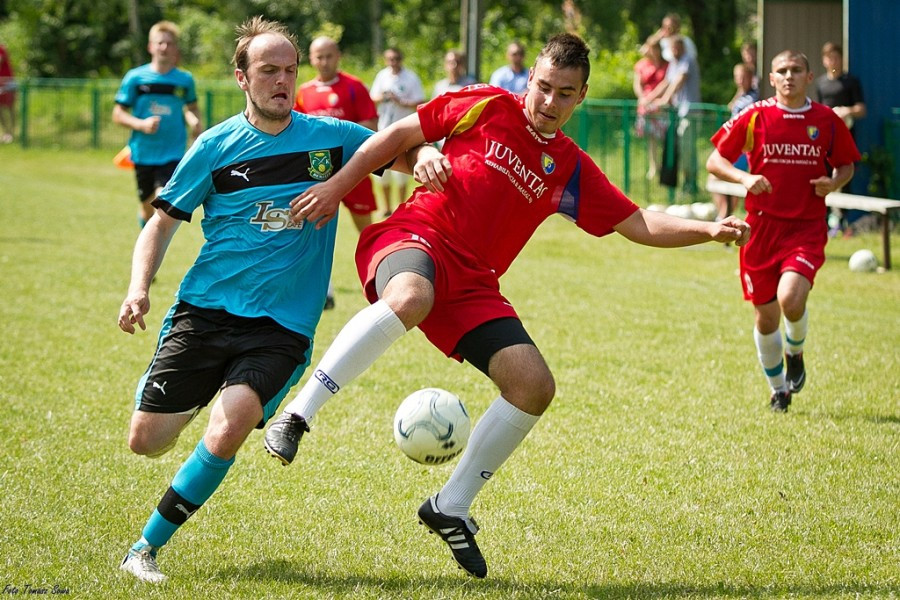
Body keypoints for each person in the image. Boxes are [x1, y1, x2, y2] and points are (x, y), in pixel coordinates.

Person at [264, 33, 750, 579]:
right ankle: (297, 415)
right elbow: (398, 134)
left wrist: (707, 228)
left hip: (474, 284)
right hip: (415, 235)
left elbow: (635, 223)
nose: (548, 102)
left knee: (534, 386)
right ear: (530, 79)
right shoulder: (487, 104)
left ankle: (451, 506)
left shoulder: (569, 167)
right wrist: (340, 185)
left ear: (581, 96)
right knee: (412, 296)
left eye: (564, 94)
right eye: (543, 87)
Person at [116, 16, 434, 583]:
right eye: (268, 70)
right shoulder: (214, 146)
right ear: (242, 77)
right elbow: (161, 223)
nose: (282, 81)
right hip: (205, 311)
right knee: (146, 442)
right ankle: (195, 388)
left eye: (290, 70)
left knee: (231, 423)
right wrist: (139, 288)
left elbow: (404, 149)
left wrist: (427, 155)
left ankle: (144, 548)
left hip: (282, 325)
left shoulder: (332, 139)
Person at [706, 50, 859, 412]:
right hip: (759, 230)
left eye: (796, 70)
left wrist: (833, 183)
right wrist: (745, 177)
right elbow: (715, 161)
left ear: (810, 77)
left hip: (805, 228)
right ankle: (778, 391)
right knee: (765, 316)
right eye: (781, 71)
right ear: (771, 78)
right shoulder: (756, 115)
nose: (788, 76)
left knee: (790, 298)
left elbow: (847, 165)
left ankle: (796, 350)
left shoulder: (825, 120)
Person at [295, 35, 381, 309]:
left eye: (328, 55)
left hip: (353, 172)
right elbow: (296, 131)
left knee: (367, 231)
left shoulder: (354, 87)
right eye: (318, 56)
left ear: (338, 56)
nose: (324, 61)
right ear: (311, 59)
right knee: (315, 232)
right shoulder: (303, 92)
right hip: (318, 175)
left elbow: (370, 127)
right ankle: (325, 292)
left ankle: (382, 281)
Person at [113, 21, 203, 230]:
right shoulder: (136, 78)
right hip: (143, 152)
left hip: (173, 151)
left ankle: (154, 242)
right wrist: (141, 124)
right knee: (146, 206)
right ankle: (146, 232)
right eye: (160, 43)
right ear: (150, 47)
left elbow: (192, 107)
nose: (164, 47)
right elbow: (118, 114)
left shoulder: (184, 80)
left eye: (169, 43)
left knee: (162, 198)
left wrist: (194, 121)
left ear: (175, 48)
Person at [814, 41, 867, 229]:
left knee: (846, 176)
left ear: (841, 59)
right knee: (823, 175)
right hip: (824, 139)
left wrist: (847, 111)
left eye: (836, 57)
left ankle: (844, 223)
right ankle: (824, 220)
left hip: (845, 138)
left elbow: (862, 109)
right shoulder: (820, 83)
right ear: (824, 60)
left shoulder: (850, 81)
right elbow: (817, 111)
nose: (832, 61)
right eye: (829, 58)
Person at [370, 47, 425, 217]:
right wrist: (385, 97)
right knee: (382, 172)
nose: (393, 63)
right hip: (384, 128)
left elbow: (420, 101)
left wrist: (400, 101)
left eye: (395, 59)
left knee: (402, 174)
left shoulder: (411, 77)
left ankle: (400, 207)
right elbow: (373, 98)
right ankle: (386, 207)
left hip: (403, 130)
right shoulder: (382, 75)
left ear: (400, 59)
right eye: (390, 59)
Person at [647, 36, 701, 192]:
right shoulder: (673, 63)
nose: (675, 51)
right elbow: (666, 82)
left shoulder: (687, 60)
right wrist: (649, 99)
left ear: (682, 47)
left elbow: (679, 80)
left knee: (687, 148)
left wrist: (665, 99)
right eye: (673, 49)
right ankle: (684, 183)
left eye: (677, 48)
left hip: (689, 112)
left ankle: (691, 184)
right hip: (678, 113)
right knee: (678, 149)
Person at [711, 63, 759, 220]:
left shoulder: (754, 97)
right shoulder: (741, 96)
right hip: (734, 144)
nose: (740, 80)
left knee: (728, 178)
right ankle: (725, 214)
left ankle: (725, 215)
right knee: (719, 179)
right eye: (737, 77)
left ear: (751, 78)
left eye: (743, 77)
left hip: (743, 148)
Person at [633, 39, 668, 179]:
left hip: (661, 104)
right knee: (651, 138)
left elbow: (667, 82)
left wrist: (652, 97)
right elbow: (637, 84)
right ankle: (654, 166)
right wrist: (643, 98)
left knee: (664, 138)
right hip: (646, 105)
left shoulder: (667, 65)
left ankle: (665, 166)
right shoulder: (641, 65)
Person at [0, 42, 16, 143]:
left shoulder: (1, 48)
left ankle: (11, 133)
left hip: (7, 82)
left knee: (10, 108)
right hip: (1, 83)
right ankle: (6, 133)